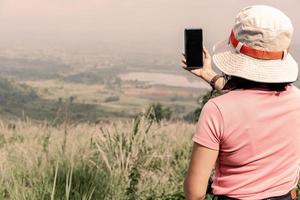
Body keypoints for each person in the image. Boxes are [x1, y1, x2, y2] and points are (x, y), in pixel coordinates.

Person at [182, 5, 300, 200]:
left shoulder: (217, 111)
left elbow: (195, 193)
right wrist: (209, 75)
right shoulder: (297, 100)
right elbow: (254, 101)